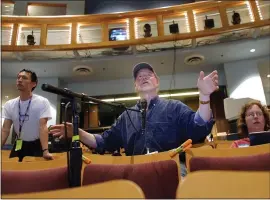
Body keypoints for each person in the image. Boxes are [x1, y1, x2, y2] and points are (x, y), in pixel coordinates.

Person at [50, 62, 218, 176]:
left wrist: (204, 96)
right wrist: (76, 132)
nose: (144, 77)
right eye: (139, 77)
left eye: (149, 75)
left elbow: (199, 125)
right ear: (135, 86)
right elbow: (103, 142)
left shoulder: (174, 107)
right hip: (135, 171)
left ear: (157, 81)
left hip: (171, 170)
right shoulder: (126, 115)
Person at [1, 69, 53, 161]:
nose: (20, 80)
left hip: (36, 144)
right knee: (14, 170)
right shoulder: (9, 104)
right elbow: (5, 129)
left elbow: (43, 127)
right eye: (18, 77)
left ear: (33, 84)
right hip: (19, 143)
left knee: (35, 173)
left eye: (24, 78)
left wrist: (45, 150)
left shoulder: (42, 102)